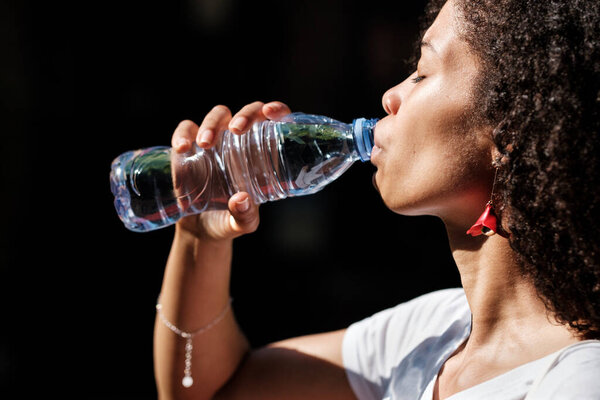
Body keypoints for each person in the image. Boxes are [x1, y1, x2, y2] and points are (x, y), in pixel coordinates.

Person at [153, 0, 600, 398]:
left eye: (422, 72)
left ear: (512, 128)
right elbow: (212, 387)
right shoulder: (432, 335)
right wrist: (200, 238)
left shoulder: (577, 380)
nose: (390, 96)